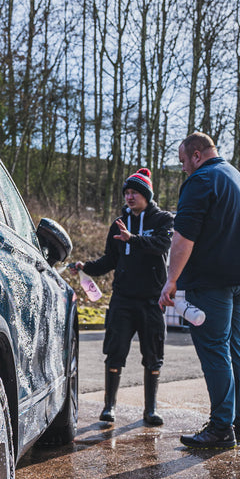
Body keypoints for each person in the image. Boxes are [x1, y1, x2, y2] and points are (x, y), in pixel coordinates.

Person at [159, 132, 240, 449]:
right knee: (234, 349)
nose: (183, 169)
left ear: (196, 155)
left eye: (182, 162)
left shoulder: (201, 180)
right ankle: (239, 424)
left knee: (215, 350)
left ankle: (220, 428)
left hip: (212, 282)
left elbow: (183, 235)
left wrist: (171, 280)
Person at [71, 168, 174, 426]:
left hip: (152, 300)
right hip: (123, 300)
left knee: (153, 355)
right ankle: (110, 406)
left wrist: (134, 239)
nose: (129, 197)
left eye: (134, 193)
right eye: (126, 193)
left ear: (146, 195)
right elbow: (110, 260)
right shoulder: (118, 222)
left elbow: (163, 245)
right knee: (115, 352)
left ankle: (150, 410)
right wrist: (86, 267)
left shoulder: (163, 219)